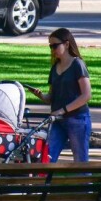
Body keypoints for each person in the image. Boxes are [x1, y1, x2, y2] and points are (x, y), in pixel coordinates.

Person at [25, 27, 92, 163]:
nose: (52, 49)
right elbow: (51, 98)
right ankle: (42, 183)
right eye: (50, 46)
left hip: (77, 119)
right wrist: (40, 95)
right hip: (57, 120)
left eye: (55, 45)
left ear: (67, 44)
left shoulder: (77, 64)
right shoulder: (55, 68)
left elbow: (86, 95)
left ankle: (86, 183)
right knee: (47, 157)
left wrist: (63, 110)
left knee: (80, 161)